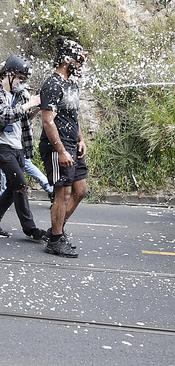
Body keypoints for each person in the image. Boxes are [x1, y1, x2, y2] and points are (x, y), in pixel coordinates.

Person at [39, 38, 89, 258]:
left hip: (72, 144)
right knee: (64, 191)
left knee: (80, 190)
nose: (80, 64)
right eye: (78, 60)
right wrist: (61, 151)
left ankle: (54, 231)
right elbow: (48, 121)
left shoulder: (71, 84)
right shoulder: (52, 84)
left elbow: (72, 116)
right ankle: (56, 240)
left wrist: (81, 139)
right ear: (67, 59)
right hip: (56, 146)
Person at [0, 55, 46, 240]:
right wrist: (29, 104)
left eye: (23, 79)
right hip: (2, 147)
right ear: (8, 74)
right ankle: (31, 229)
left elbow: (24, 120)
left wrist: (37, 107)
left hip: (18, 147)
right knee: (20, 184)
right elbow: (4, 116)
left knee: (12, 187)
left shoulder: (19, 95)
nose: (20, 82)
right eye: (19, 78)